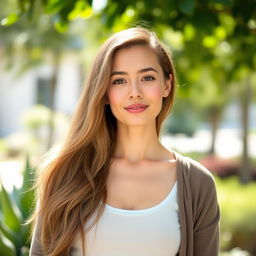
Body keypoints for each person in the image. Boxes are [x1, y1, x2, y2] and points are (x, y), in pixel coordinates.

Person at [29, 26, 220, 256]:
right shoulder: (65, 174)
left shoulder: (197, 183)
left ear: (167, 85)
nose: (134, 92)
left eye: (147, 77)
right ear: (104, 92)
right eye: (119, 81)